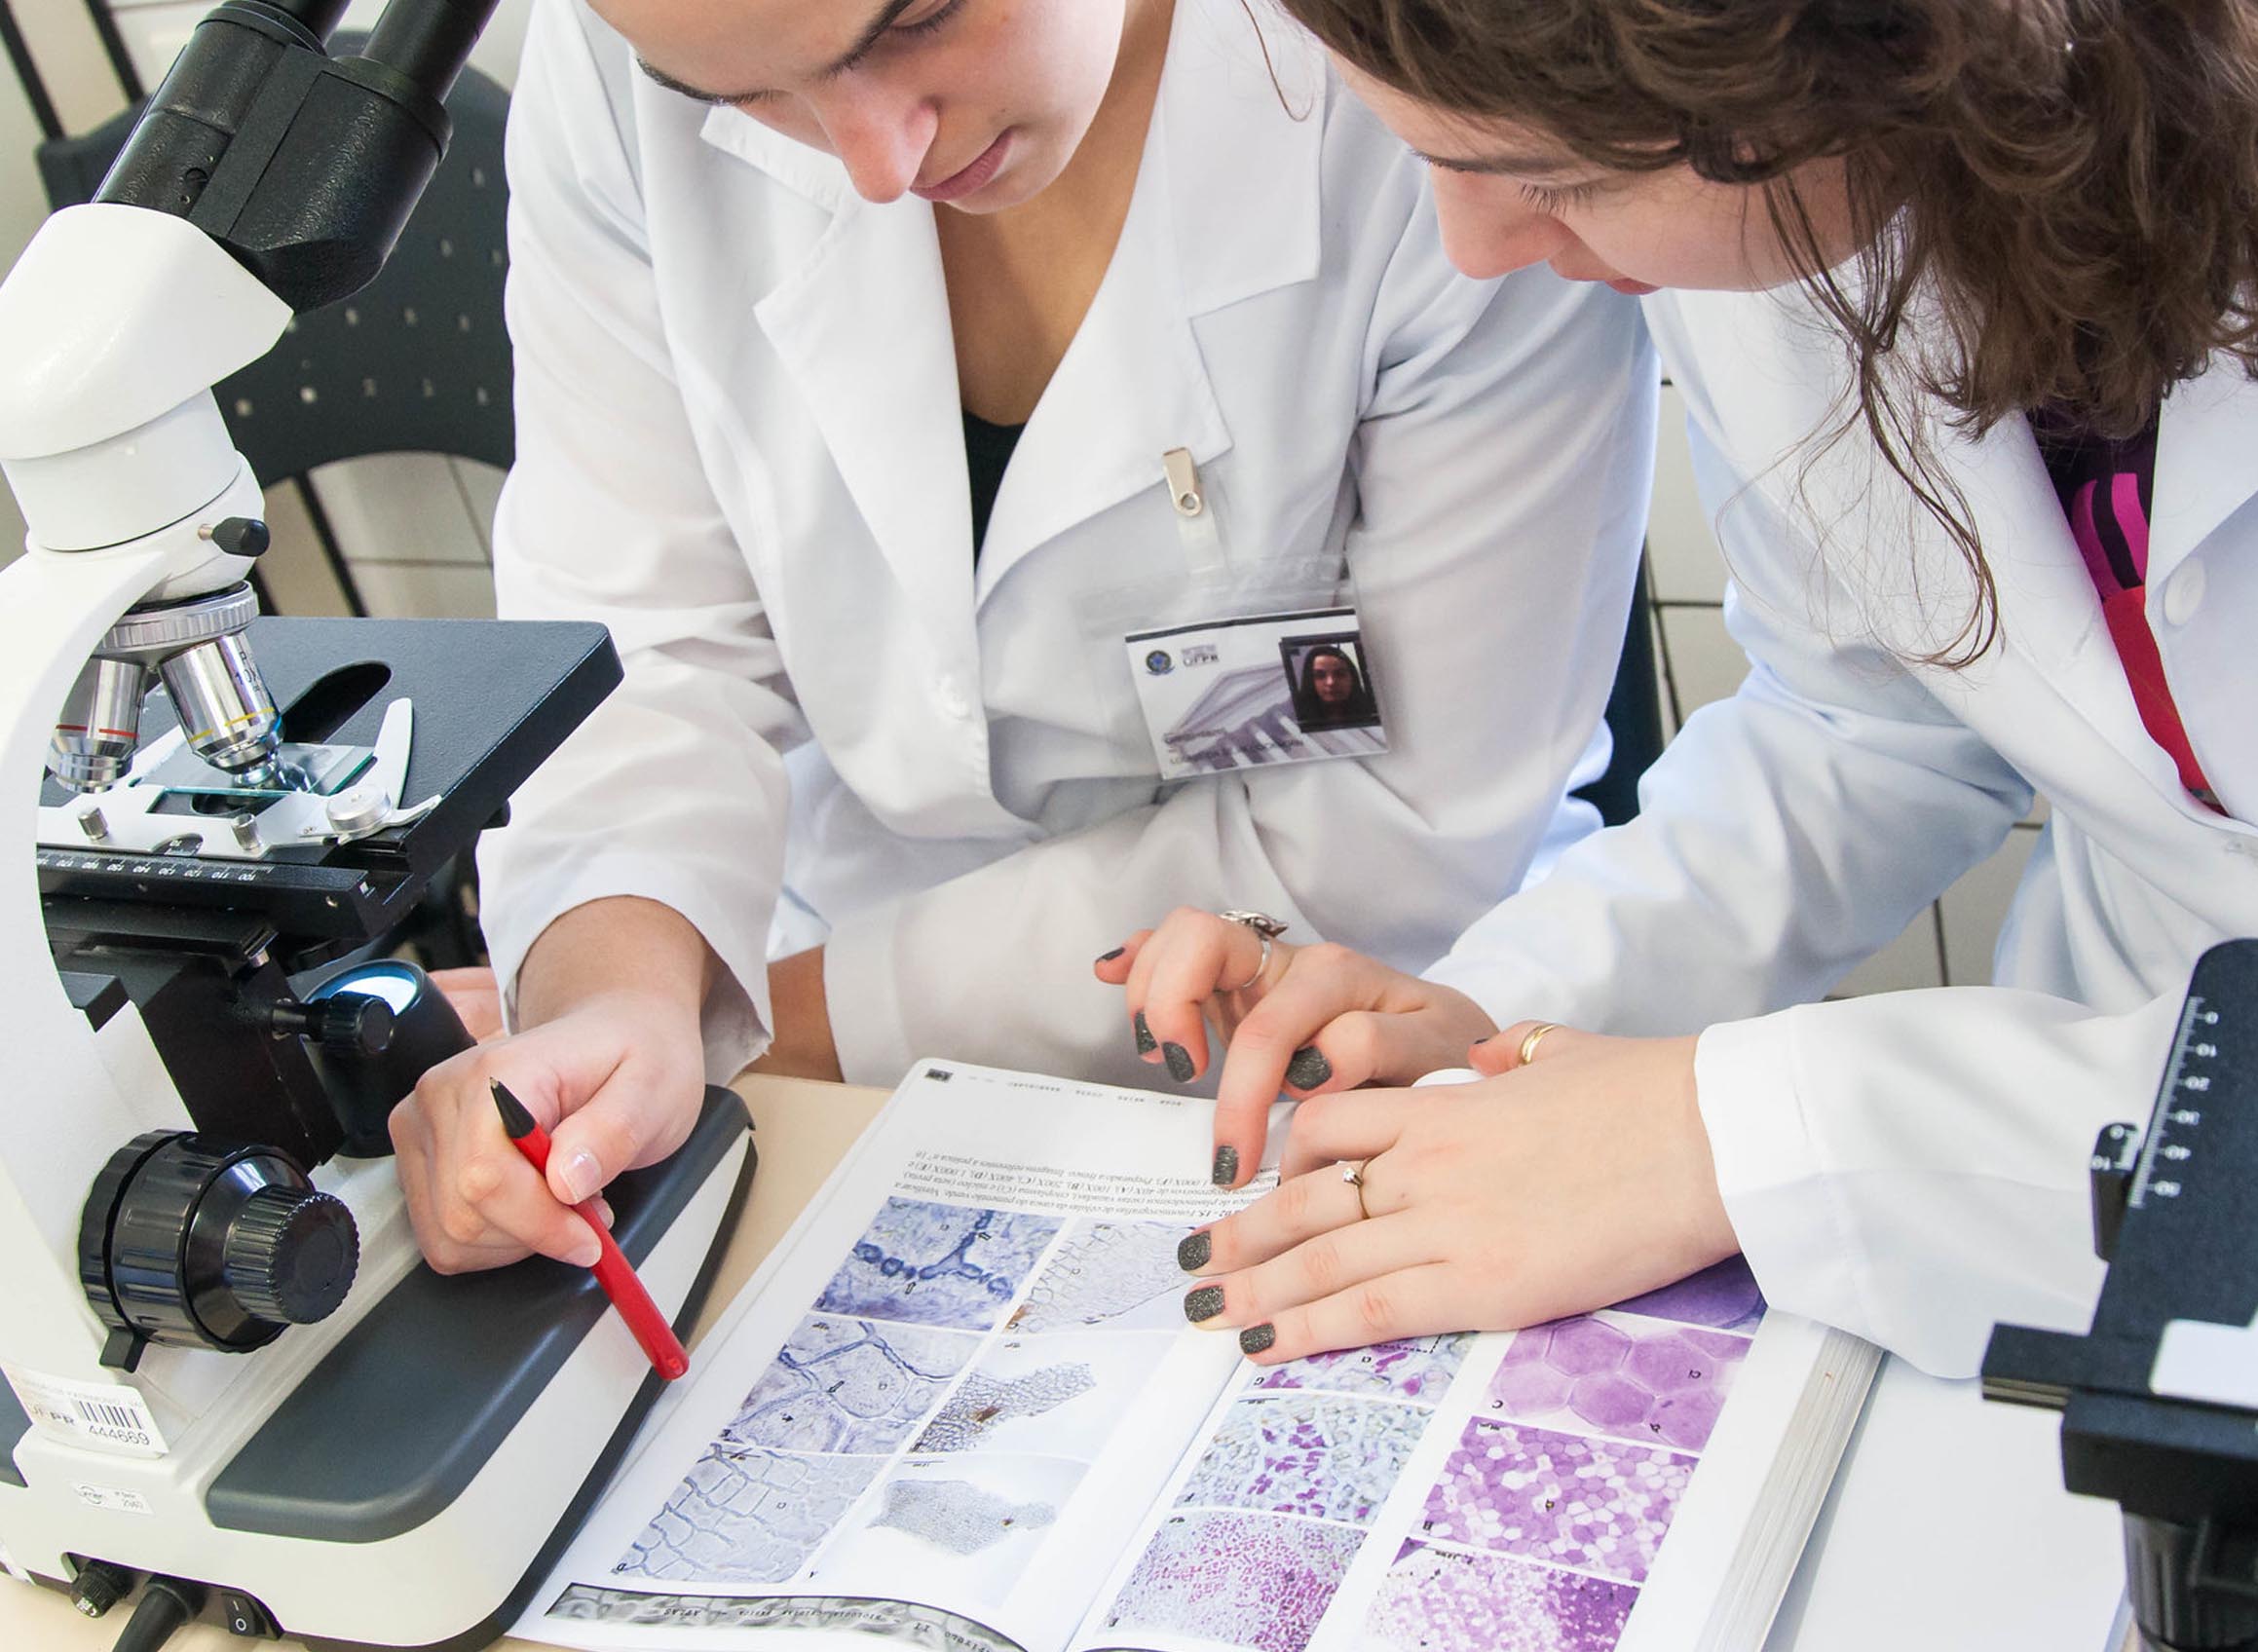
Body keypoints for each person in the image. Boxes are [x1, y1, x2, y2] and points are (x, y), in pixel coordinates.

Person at [1104, 0, 2258, 1378]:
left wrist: (1739, 1135)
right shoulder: (1791, 215)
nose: (1477, 254)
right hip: (2076, 1225)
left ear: (1880, 47)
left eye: (1557, 180)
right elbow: (1864, 723)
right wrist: (1499, 1024)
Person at [391, 0, 1657, 1275]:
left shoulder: (1429, 71)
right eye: (751, 97)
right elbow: (644, 660)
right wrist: (617, 1003)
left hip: (1357, 1044)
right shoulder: (621, 58)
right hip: (830, 1064)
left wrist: (766, 1026)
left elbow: (1407, 820)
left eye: (920, 19)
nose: (880, 163)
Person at [1292, 642, 1378, 731]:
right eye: (1320, 676)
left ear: (1353, 678)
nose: (1331, 682)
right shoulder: (1295, 724)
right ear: (1309, 681)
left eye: (1340, 674)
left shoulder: (1376, 714)